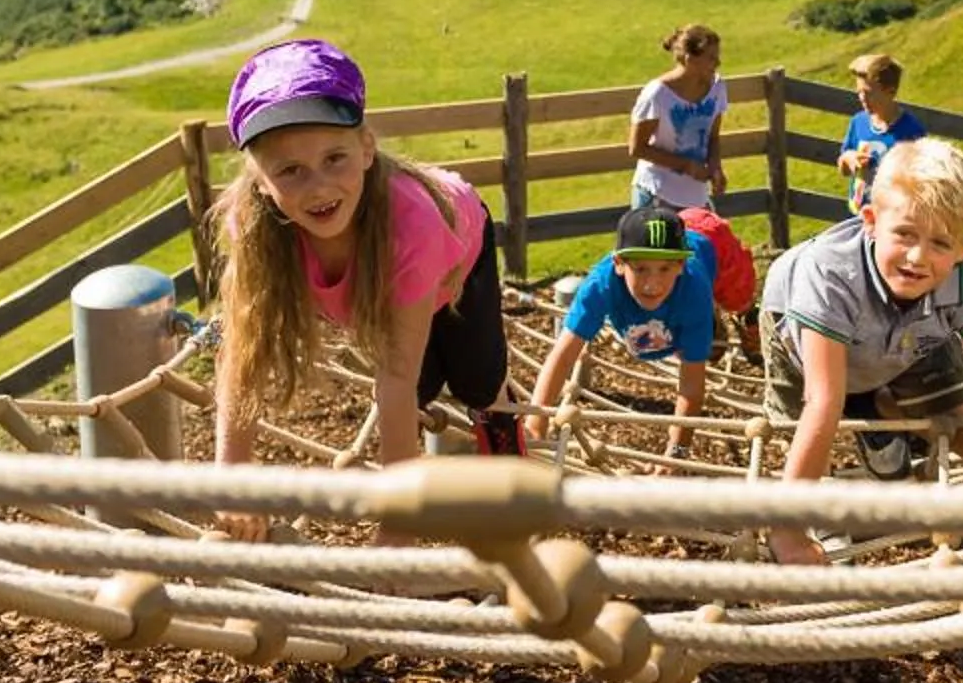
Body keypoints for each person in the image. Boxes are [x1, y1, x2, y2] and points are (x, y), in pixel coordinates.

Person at [209, 38, 523, 541]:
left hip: (455, 255)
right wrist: (232, 475)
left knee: (476, 379)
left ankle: (508, 459)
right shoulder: (254, 229)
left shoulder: (411, 221)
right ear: (260, 181)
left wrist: (398, 526)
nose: (317, 187)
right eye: (289, 170)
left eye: (335, 158)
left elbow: (391, 378)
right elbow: (243, 354)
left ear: (367, 148)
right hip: (388, 284)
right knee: (421, 387)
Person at [761, 137, 963, 566]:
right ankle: (821, 506)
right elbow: (822, 400)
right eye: (905, 234)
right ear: (871, 221)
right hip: (805, 341)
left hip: (907, 342)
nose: (918, 257)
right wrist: (788, 530)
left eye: (941, 244)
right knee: (798, 432)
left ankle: (882, 410)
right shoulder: (829, 273)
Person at [527, 205, 718, 459]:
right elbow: (562, 357)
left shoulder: (695, 291)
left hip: (710, 239)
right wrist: (535, 425)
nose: (652, 283)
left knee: (737, 299)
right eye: (640, 269)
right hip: (675, 270)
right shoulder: (600, 284)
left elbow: (691, 385)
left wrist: (677, 452)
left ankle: (730, 318)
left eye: (664, 268)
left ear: (681, 265)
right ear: (618, 263)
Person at [628, 23, 727, 212]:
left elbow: (713, 137)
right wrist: (686, 165)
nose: (718, 63)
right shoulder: (657, 94)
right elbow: (637, 148)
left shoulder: (717, 88)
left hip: (696, 196)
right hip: (658, 193)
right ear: (690, 60)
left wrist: (716, 168)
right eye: (711, 58)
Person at [835, 51, 927, 214]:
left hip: (891, 219)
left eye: (868, 92)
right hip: (857, 215)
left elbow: (920, 184)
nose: (862, 98)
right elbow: (843, 166)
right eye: (859, 92)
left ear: (890, 92)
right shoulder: (859, 122)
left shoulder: (911, 132)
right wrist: (849, 159)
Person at [677, 202, 763, 365]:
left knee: (737, 297)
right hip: (688, 228)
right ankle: (742, 322)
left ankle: (748, 320)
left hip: (707, 239)